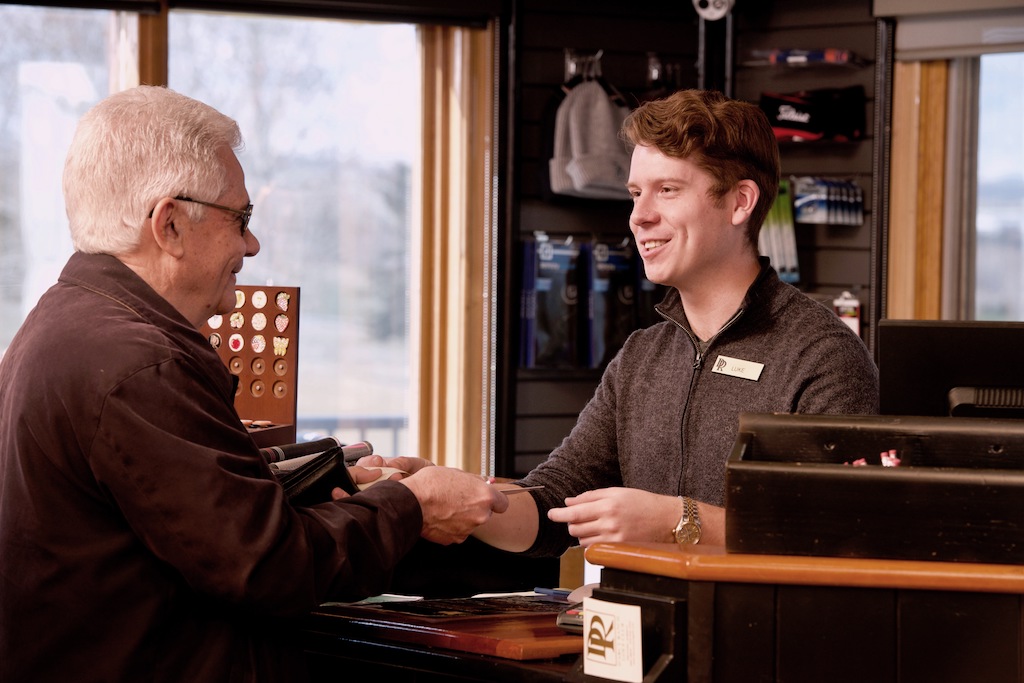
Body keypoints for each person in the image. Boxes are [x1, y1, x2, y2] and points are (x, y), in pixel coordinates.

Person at [0, 85, 508, 683]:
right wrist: (412, 506)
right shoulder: (141, 365)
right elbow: (268, 567)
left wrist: (303, 479)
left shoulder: (65, 321)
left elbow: (179, 517)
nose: (251, 244)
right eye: (240, 219)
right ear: (169, 225)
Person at [375, 89, 879, 559]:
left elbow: (832, 532)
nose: (639, 216)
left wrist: (676, 521)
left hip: (762, 645)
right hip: (636, 636)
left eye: (668, 190)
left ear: (739, 202)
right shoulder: (643, 355)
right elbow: (553, 504)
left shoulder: (823, 356)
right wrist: (453, 496)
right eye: (636, 193)